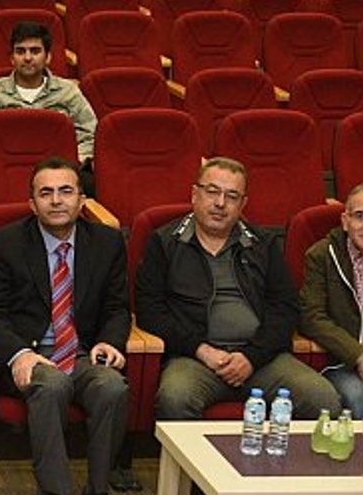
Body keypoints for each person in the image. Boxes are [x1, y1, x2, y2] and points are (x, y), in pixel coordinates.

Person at [0, 157, 131, 495]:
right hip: (31, 355)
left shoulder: (107, 242)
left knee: (112, 387)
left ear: (82, 200)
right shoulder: (6, 243)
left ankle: (97, 493)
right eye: (46, 193)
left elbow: (117, 307)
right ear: (32, 204)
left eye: (66, 191)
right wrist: (19, 353)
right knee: (53, 385)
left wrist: (110, 341)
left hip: (82, 352)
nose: (57, 200)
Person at [135, 157, 341, 420]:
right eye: (212, 192)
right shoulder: (164, 242)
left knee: (322, 399)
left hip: (261, 359)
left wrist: (251, 356)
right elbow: (150, 311)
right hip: (194, 358)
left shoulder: (262, 244)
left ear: (243, 204)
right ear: (195, 194)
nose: (220, 203)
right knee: (175, 398)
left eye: (232, 196)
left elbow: (285, 309)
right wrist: (202, 350)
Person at [0, 21, 97, 166]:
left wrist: (71, 162)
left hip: (60, 170)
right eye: (20, 51)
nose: (28, 58)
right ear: (12, 58)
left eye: (35, 51)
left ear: (48, 57)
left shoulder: (68, 92)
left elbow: (90, 134)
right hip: (7, 168)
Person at [299, 184, 363, 414]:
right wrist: (357, 355)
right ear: (345, 221)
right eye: (360, 216)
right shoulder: (321, 255)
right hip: (341, 362)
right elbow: (311, 317)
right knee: (359, 397)